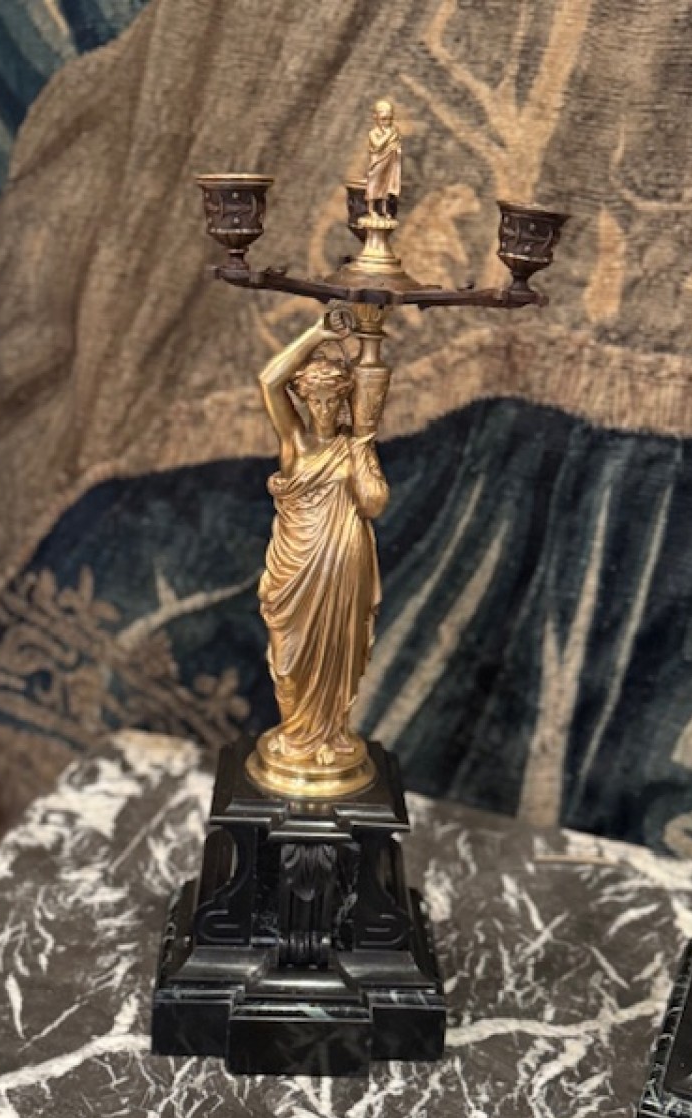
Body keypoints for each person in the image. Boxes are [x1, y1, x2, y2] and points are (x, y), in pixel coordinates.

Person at [255, 307, 389, 773]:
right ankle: (297, 735)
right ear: (304, 398)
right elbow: (269, 380)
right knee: (290, 657)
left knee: (339, 651)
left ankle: (330, 733)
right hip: (296, 563)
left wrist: (364, 445)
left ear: (346, 400)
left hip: (345, 563)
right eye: (315, 400)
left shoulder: (352, 448)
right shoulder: (294, 441)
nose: (324, 410)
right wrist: (315, 334)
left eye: (334, 401)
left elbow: (374, 504)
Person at [365, 99, 402, 218]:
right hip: (377, 163)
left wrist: (395, 148)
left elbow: (396, 144)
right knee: (374, 184)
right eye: (383, 119)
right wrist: (389, 135)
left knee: (386, 185)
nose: (387, 122)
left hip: (390, 162)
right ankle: (371, 208)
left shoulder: (394, 131)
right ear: (375, 117)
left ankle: (384, 208)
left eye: (389, 119)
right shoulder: (373, 133)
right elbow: (377, 145)